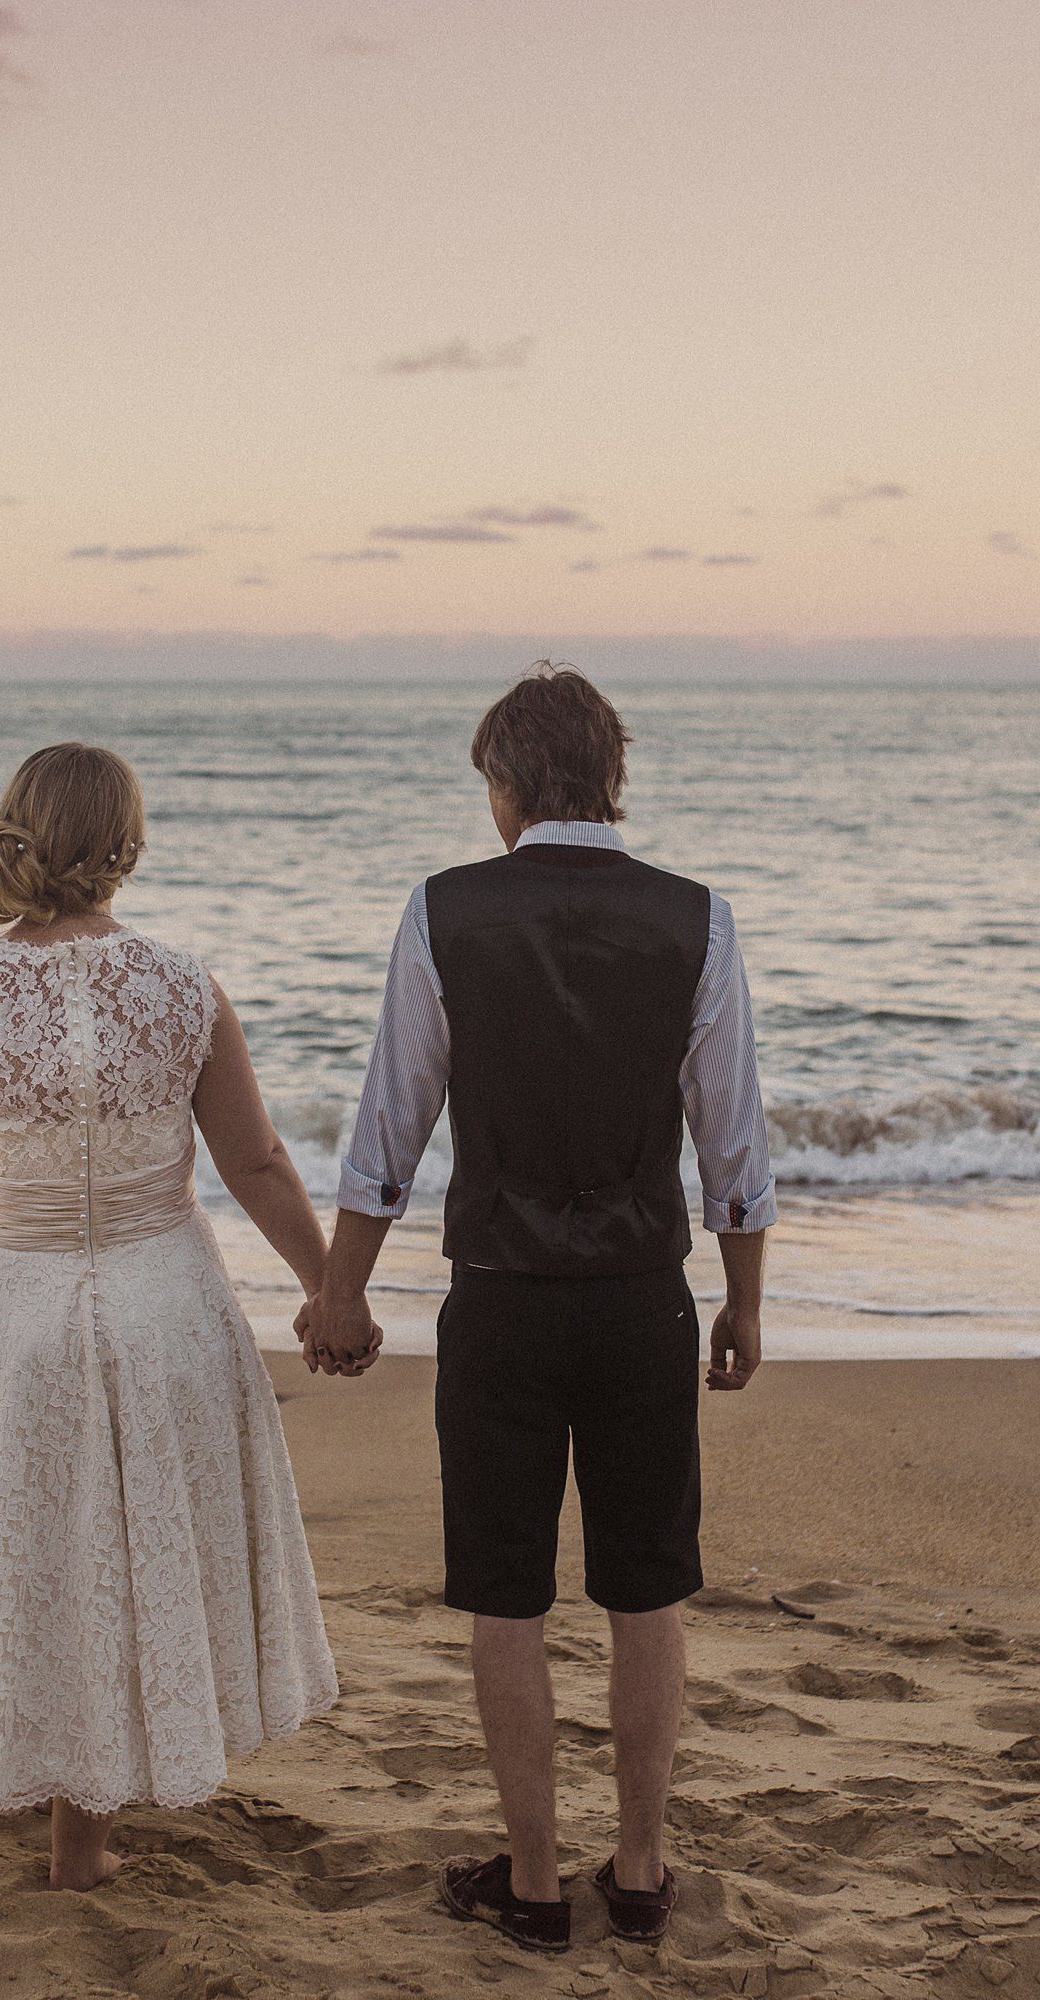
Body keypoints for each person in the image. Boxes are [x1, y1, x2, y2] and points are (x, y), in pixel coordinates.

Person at [299, 664, 774, 1953]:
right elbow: (733, 1141)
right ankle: (639, 1867)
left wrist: (342, 1290)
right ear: (613, 776)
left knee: (505, 1594)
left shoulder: (448, 911)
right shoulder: (697, 919)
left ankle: (534, 1880)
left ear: (506, 785)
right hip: (640, 1298)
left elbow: (389, 1123)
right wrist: (743, 1301)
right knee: (645, 1588)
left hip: (502, 1300)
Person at [0, 742, 339, 1891]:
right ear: (125, 847)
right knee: (123, 1549)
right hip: (161, 1302)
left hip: (5, 1313)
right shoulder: (183, 986)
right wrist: (325, 1285)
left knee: (37, 1555)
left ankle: (63, 1816)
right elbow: (254, 1159)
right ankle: (89, 1837)